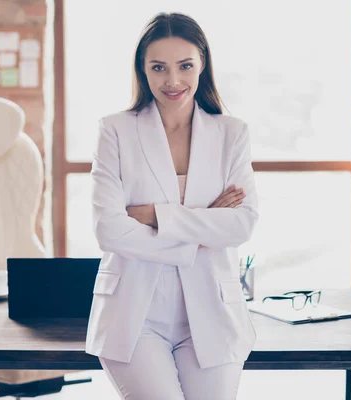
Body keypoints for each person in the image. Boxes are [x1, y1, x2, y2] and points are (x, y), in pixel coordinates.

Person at [85, 12, 259, 400]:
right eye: (158, 67)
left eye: (185, 66)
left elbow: (242, 224)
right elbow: (109, 230)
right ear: (143, 71)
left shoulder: (232, 134)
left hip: (214, 315)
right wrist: (202, 227)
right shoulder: (115, 130)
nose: (173, 81)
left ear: (202, 66)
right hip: (134, 316)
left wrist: (154, 216)